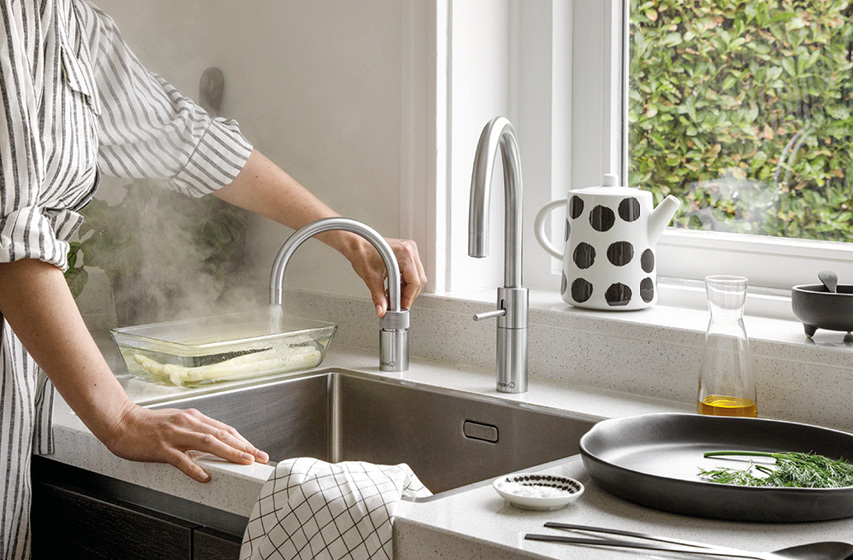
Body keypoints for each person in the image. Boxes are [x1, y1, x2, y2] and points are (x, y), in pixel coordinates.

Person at [0, 0, 427, 558]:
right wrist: (120, 416)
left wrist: (346, 235)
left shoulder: (69, 20)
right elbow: (11, 235)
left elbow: (183, 137)